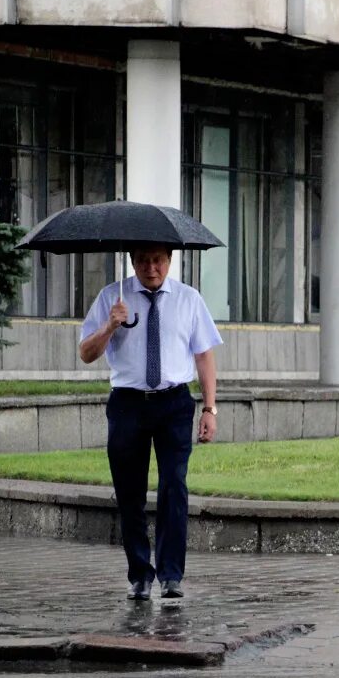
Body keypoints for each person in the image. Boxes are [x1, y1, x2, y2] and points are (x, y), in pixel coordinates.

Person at [79, 244, 222, 601]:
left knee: (174, 486)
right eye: (143, 260)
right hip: (128, 403)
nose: (151, 268)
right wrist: (110, 325)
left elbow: (204, 355)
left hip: (174, 402)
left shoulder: (189, 300)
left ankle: (172, 575)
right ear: (132, 262)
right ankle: (140, 574)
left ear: (170, 261)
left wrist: (210, 408)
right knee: (130, 493)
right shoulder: (114, 296)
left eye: (158, 260)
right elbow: (85, 353)